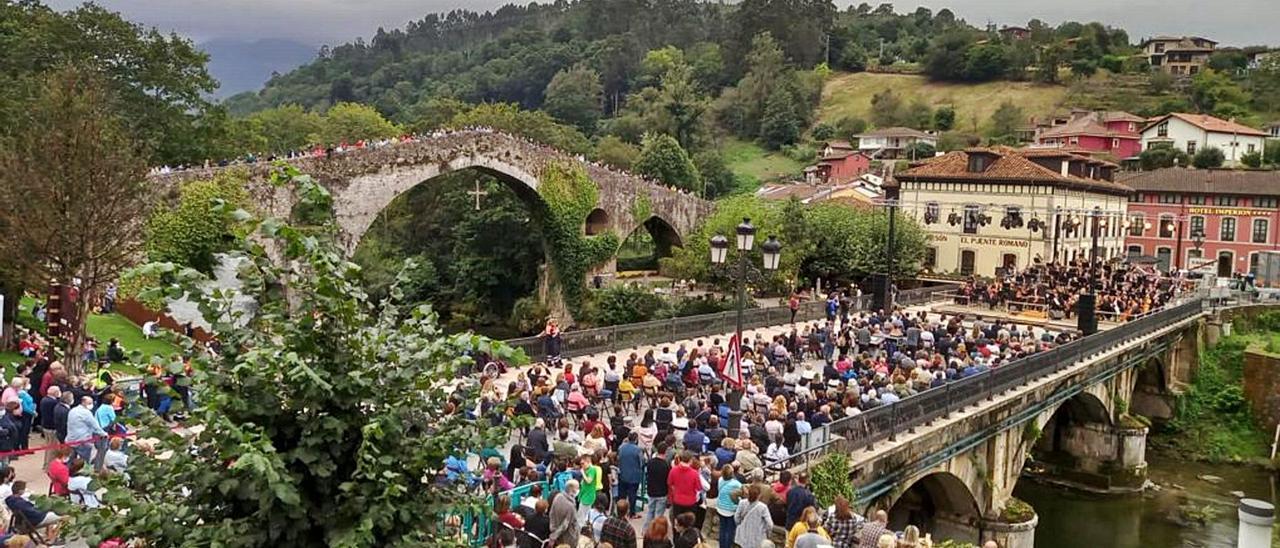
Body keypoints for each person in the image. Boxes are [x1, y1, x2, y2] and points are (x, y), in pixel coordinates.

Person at [66, 395, 106, 464]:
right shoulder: (86, 413)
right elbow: (95, 426)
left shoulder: (73, 410)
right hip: (82, 441)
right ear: (83, 403)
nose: (91, 405)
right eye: (89, 403)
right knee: (83, 462)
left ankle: (68, 472)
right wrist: (104, 434)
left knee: (70, 460)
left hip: (70, 439)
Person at [734, 483, 775, 548]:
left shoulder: (742, 503)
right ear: (759, 495)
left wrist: (740, 525)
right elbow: (770, 524)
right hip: (757, 536)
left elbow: (736, 518)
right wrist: (767, 533)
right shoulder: (763, 507)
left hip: (743, 535)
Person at [667, 452, 702, 523]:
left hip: (677, 500)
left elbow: (669, 484)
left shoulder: (673, 470)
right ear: (690, 460)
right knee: (689, 524)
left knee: (677, 522)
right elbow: (699, 488)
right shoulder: (694, 473)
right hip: (690, 502)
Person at [715, 464, 742, 548]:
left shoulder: (720, 480)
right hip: (730, 509)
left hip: (720, 507)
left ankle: (722, 546)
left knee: (722, 529)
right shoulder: (736, 484)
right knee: (730, 531)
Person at [645, 444, 672, 528]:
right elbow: (668, 480)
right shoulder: (666, 465)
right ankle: (655, 530)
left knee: (650, 512)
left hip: (651, 490)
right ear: (665, 452)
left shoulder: (650, 462)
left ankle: (646, 529)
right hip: (662, 492)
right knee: (658, 514)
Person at [618, 433, 644, 516]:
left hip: (622, 474)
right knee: (632, 495)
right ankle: (632, 512)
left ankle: (620, 511)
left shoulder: (621, 447)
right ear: (636, 439)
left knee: (622, 495)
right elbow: (642, 462)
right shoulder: (638, 450)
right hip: (634, 476)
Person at [549, 479, 580, 547]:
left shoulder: (558, 496)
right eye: (577, 488)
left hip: (556, 531)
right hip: (567, 537)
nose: (578, 490)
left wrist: (553, 530)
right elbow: (565, 525)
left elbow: (551, 514)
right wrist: (554, 536)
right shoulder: (570, 506)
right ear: (572, 489)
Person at [37, 386, 61, 465]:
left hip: (45, 426)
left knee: (48, 446)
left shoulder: (44, 399)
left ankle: (46, 463)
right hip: (51, 427)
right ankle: (49, 465)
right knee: (52, 448)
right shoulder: (53, 402)